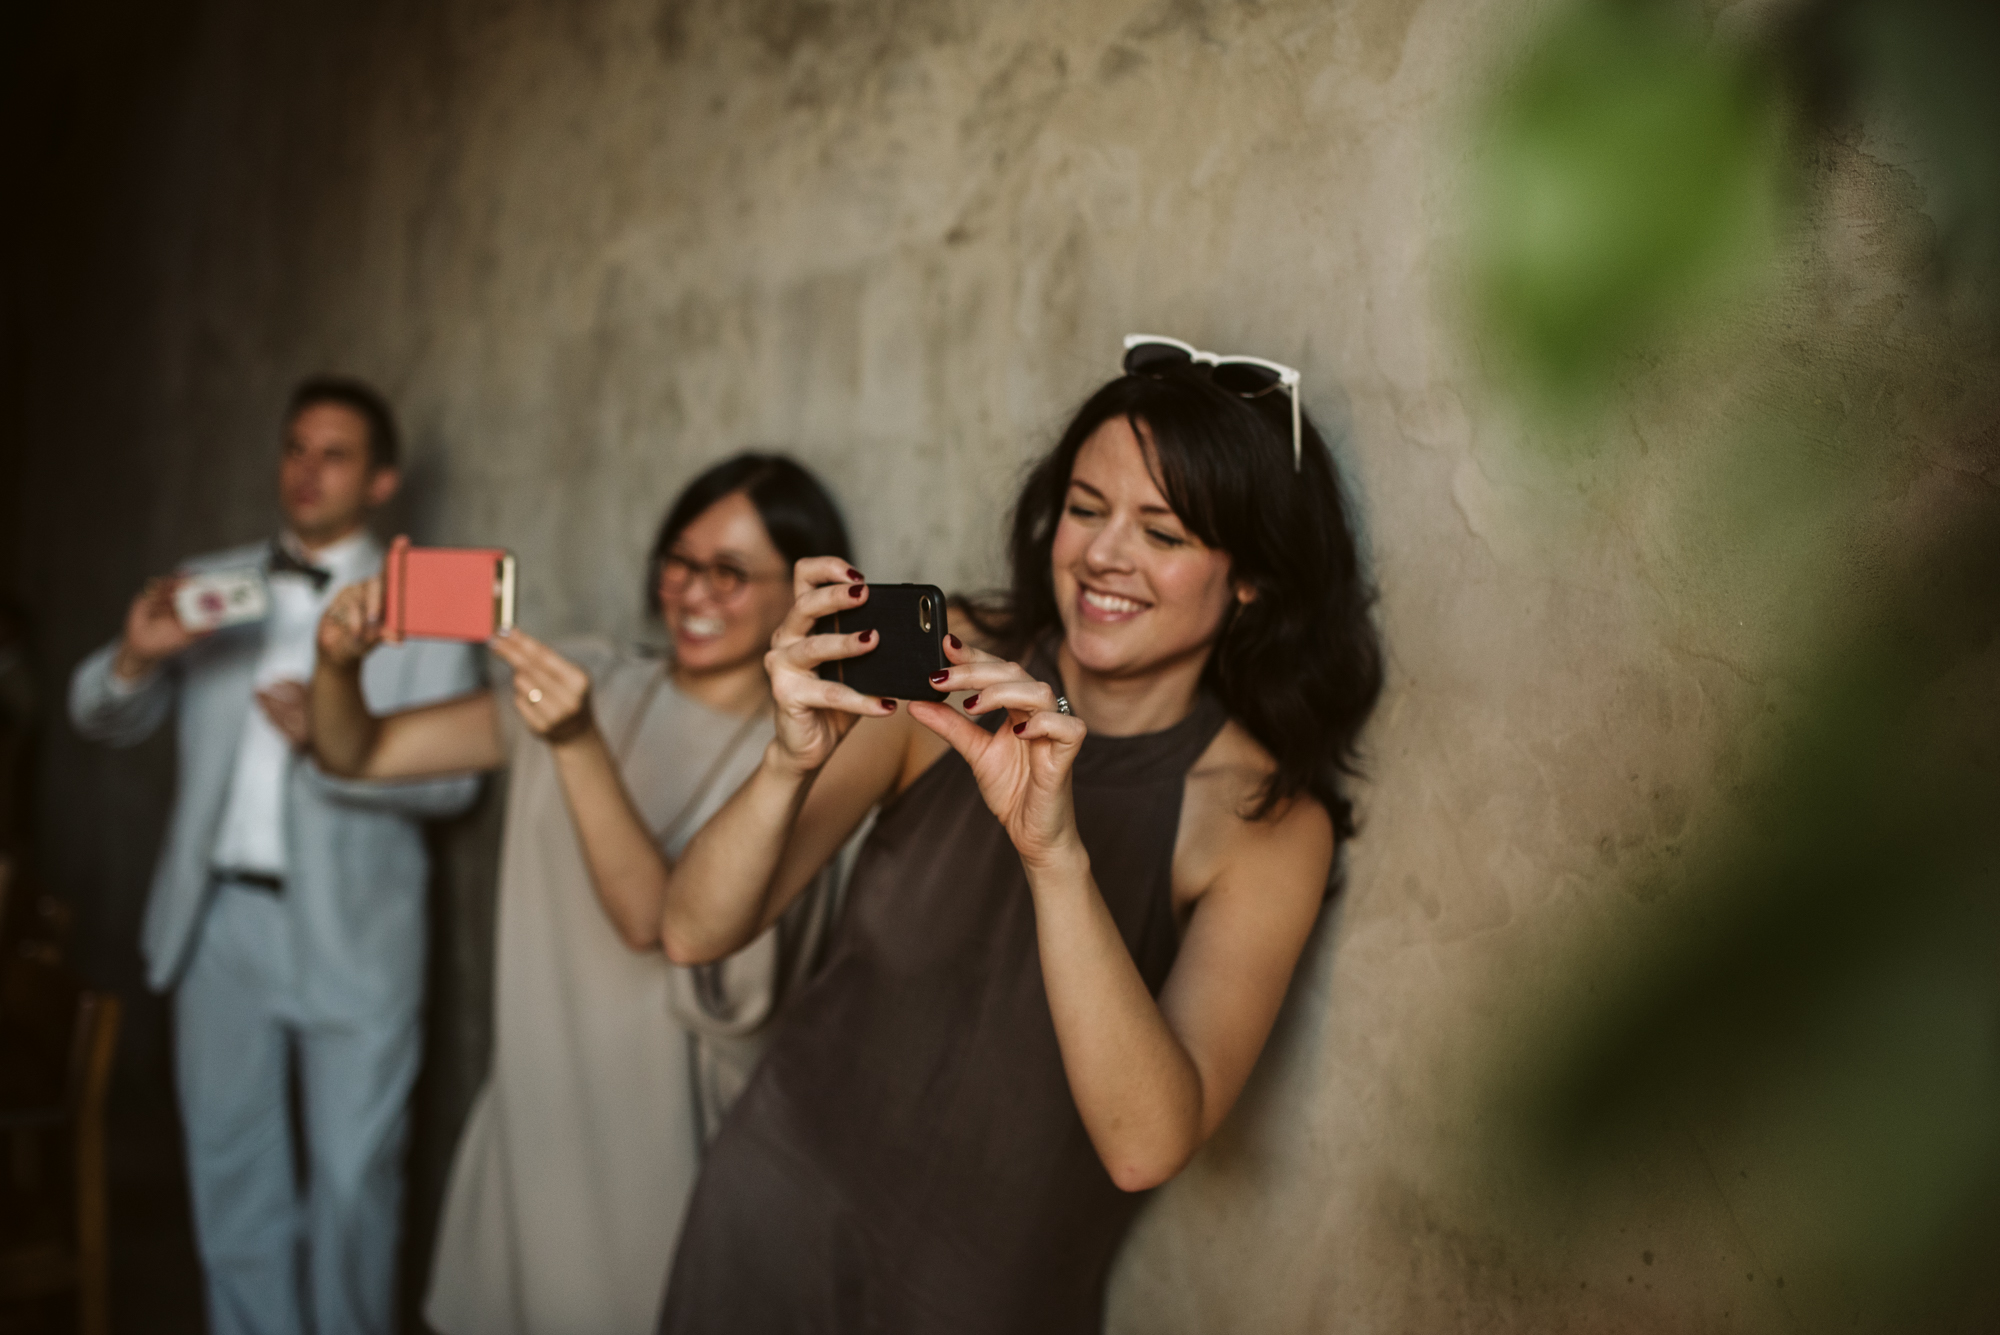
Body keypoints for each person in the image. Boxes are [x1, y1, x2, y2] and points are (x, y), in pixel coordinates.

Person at [652, 338, 1385, 1333]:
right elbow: (692, 929)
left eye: (1161, 532)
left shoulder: (1260, 817)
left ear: (1250, 576)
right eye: (1085, 509)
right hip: (769, 1212)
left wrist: (1055, 855)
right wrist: (786, 763)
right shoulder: (945, 669)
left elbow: (1145, 1145)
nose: (1100, 555)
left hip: (987, 1294)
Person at [306, 453, 854, 1335]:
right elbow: (355, 753)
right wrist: (335, 665)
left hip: (664, 1167)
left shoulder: (804, 759)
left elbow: (651, 920)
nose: (692, 591)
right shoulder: (585, 673)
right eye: (679, 560)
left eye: (729, 571)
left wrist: (574, 741)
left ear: (802, 595)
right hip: (530, 1136)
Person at [67, 377, 482, 1335]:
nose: (306, 470)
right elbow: (98, 713)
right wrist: (134, 656)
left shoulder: (428, 600)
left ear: (381, 481)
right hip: (218, 926)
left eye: (333, 453)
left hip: (358, 933)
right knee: (231, 1179)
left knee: (353, 1188)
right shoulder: (211, 581)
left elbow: (457, 784)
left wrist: (339, 743)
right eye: (295, 447)